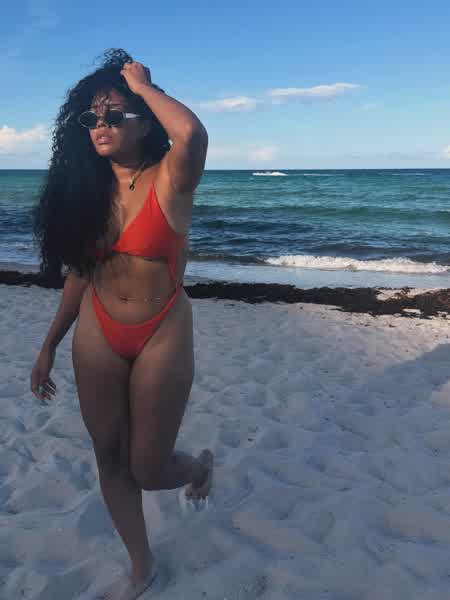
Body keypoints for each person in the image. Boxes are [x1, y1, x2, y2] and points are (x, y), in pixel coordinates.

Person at [30, 48, 212, 600]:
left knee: (148, 468)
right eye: (91, 117)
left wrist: (143, 87)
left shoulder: (171, 178)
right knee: (109, 456)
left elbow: (192, 134)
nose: (100, 125)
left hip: (161, 329)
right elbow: (80, 275)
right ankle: (141, 564)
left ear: (145, 122)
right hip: (98, 329)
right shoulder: (88, 193)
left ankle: (199, 468)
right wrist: (49, 345)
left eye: (114, 115)